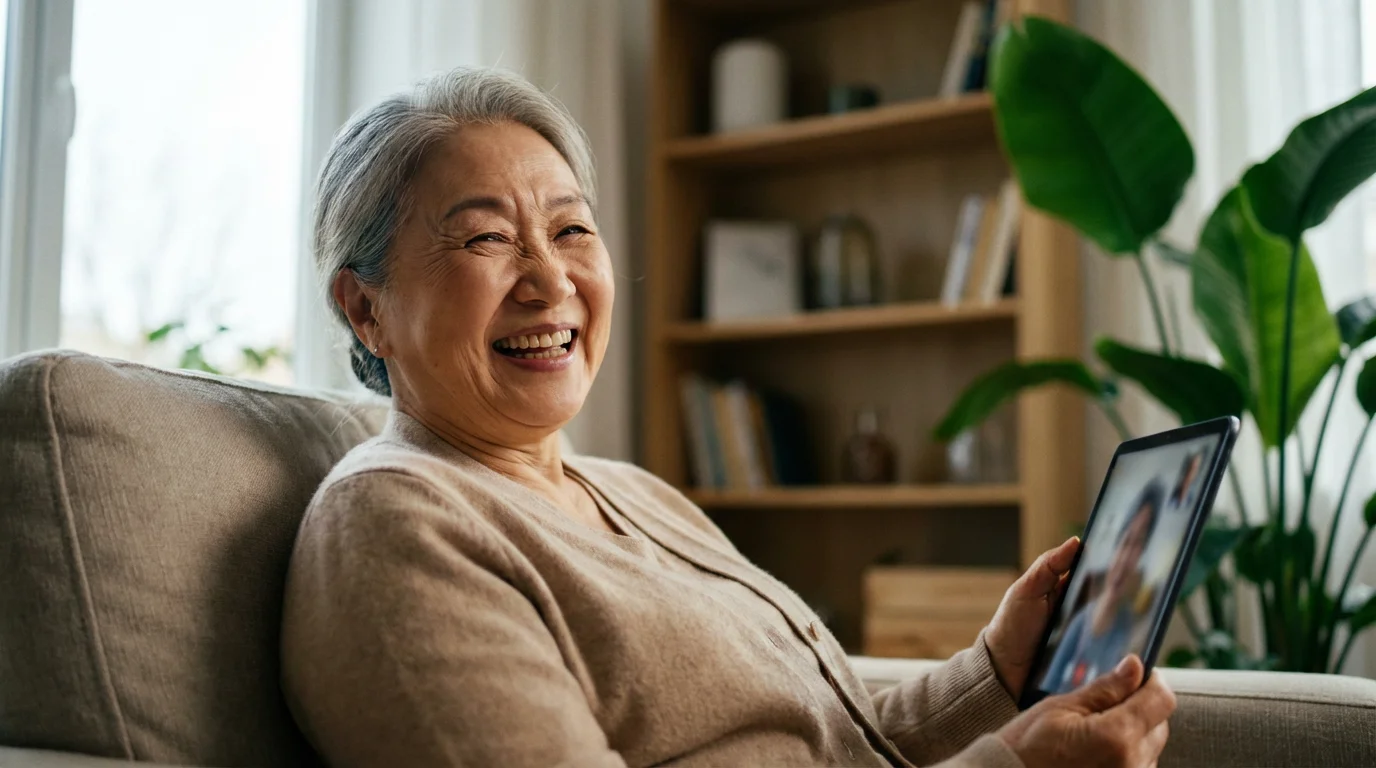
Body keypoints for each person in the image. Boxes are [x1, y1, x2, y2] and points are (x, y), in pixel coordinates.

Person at [279, 67, 1175, 768]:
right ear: (367, 310)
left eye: (571, 231)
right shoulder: (396, 525)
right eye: (485, 238)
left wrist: (993, 674)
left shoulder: (631, 494)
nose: (551, 282)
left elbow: (827, 740)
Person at [1042, 480, 1166, 695]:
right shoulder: (1081, 623)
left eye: (1139, 545)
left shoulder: (1132, 629)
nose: (1127, 559)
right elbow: (1046, 691)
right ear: (1115, 546)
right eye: (1126, 542)